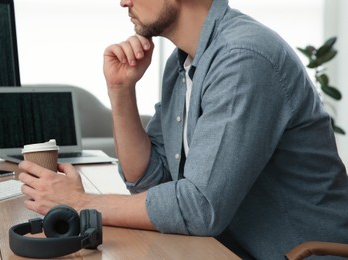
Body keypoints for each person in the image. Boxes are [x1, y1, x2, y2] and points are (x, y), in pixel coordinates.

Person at [18, 0, 348, 258]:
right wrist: (121, 91)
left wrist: (81, 203)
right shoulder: (182, 64)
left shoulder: (243, 58)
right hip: (221, 247)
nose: (123, 2)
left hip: (298, 254)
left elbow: (199, 208)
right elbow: (150, 182)